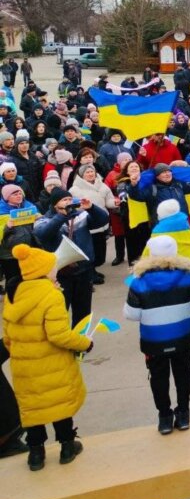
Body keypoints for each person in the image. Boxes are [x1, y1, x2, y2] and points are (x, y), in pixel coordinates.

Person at [3, 243, 93, 470]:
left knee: (33, 409)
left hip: (24, 366)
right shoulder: (51, 296)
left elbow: (8, 337)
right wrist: (84, 343)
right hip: (52, 362)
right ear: (45, 271)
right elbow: (58, 335)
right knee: (59, 405)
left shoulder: (13, 296)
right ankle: (67, 447)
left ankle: (35, 454)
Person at [122, 235, 190, 435]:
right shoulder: (189, 274)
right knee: (183, 372)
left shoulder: (139, 280)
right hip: (183, 335)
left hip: (154, 340)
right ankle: (183, 413)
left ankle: (165, 417)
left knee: (158, 376)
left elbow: (132, 314)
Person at [32, 188, 109, 327]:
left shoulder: (80, 215)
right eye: (64, 200)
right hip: (60, 273)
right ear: (55, 204)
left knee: (83, 311)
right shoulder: (44, 219)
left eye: (69, 199)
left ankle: (80, 341)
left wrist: (91, 208)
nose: (68, 202)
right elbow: (43, 234)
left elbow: (102, 220)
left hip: (84, 270)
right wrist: (61, 216)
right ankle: (62, 341)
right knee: (60, 311)